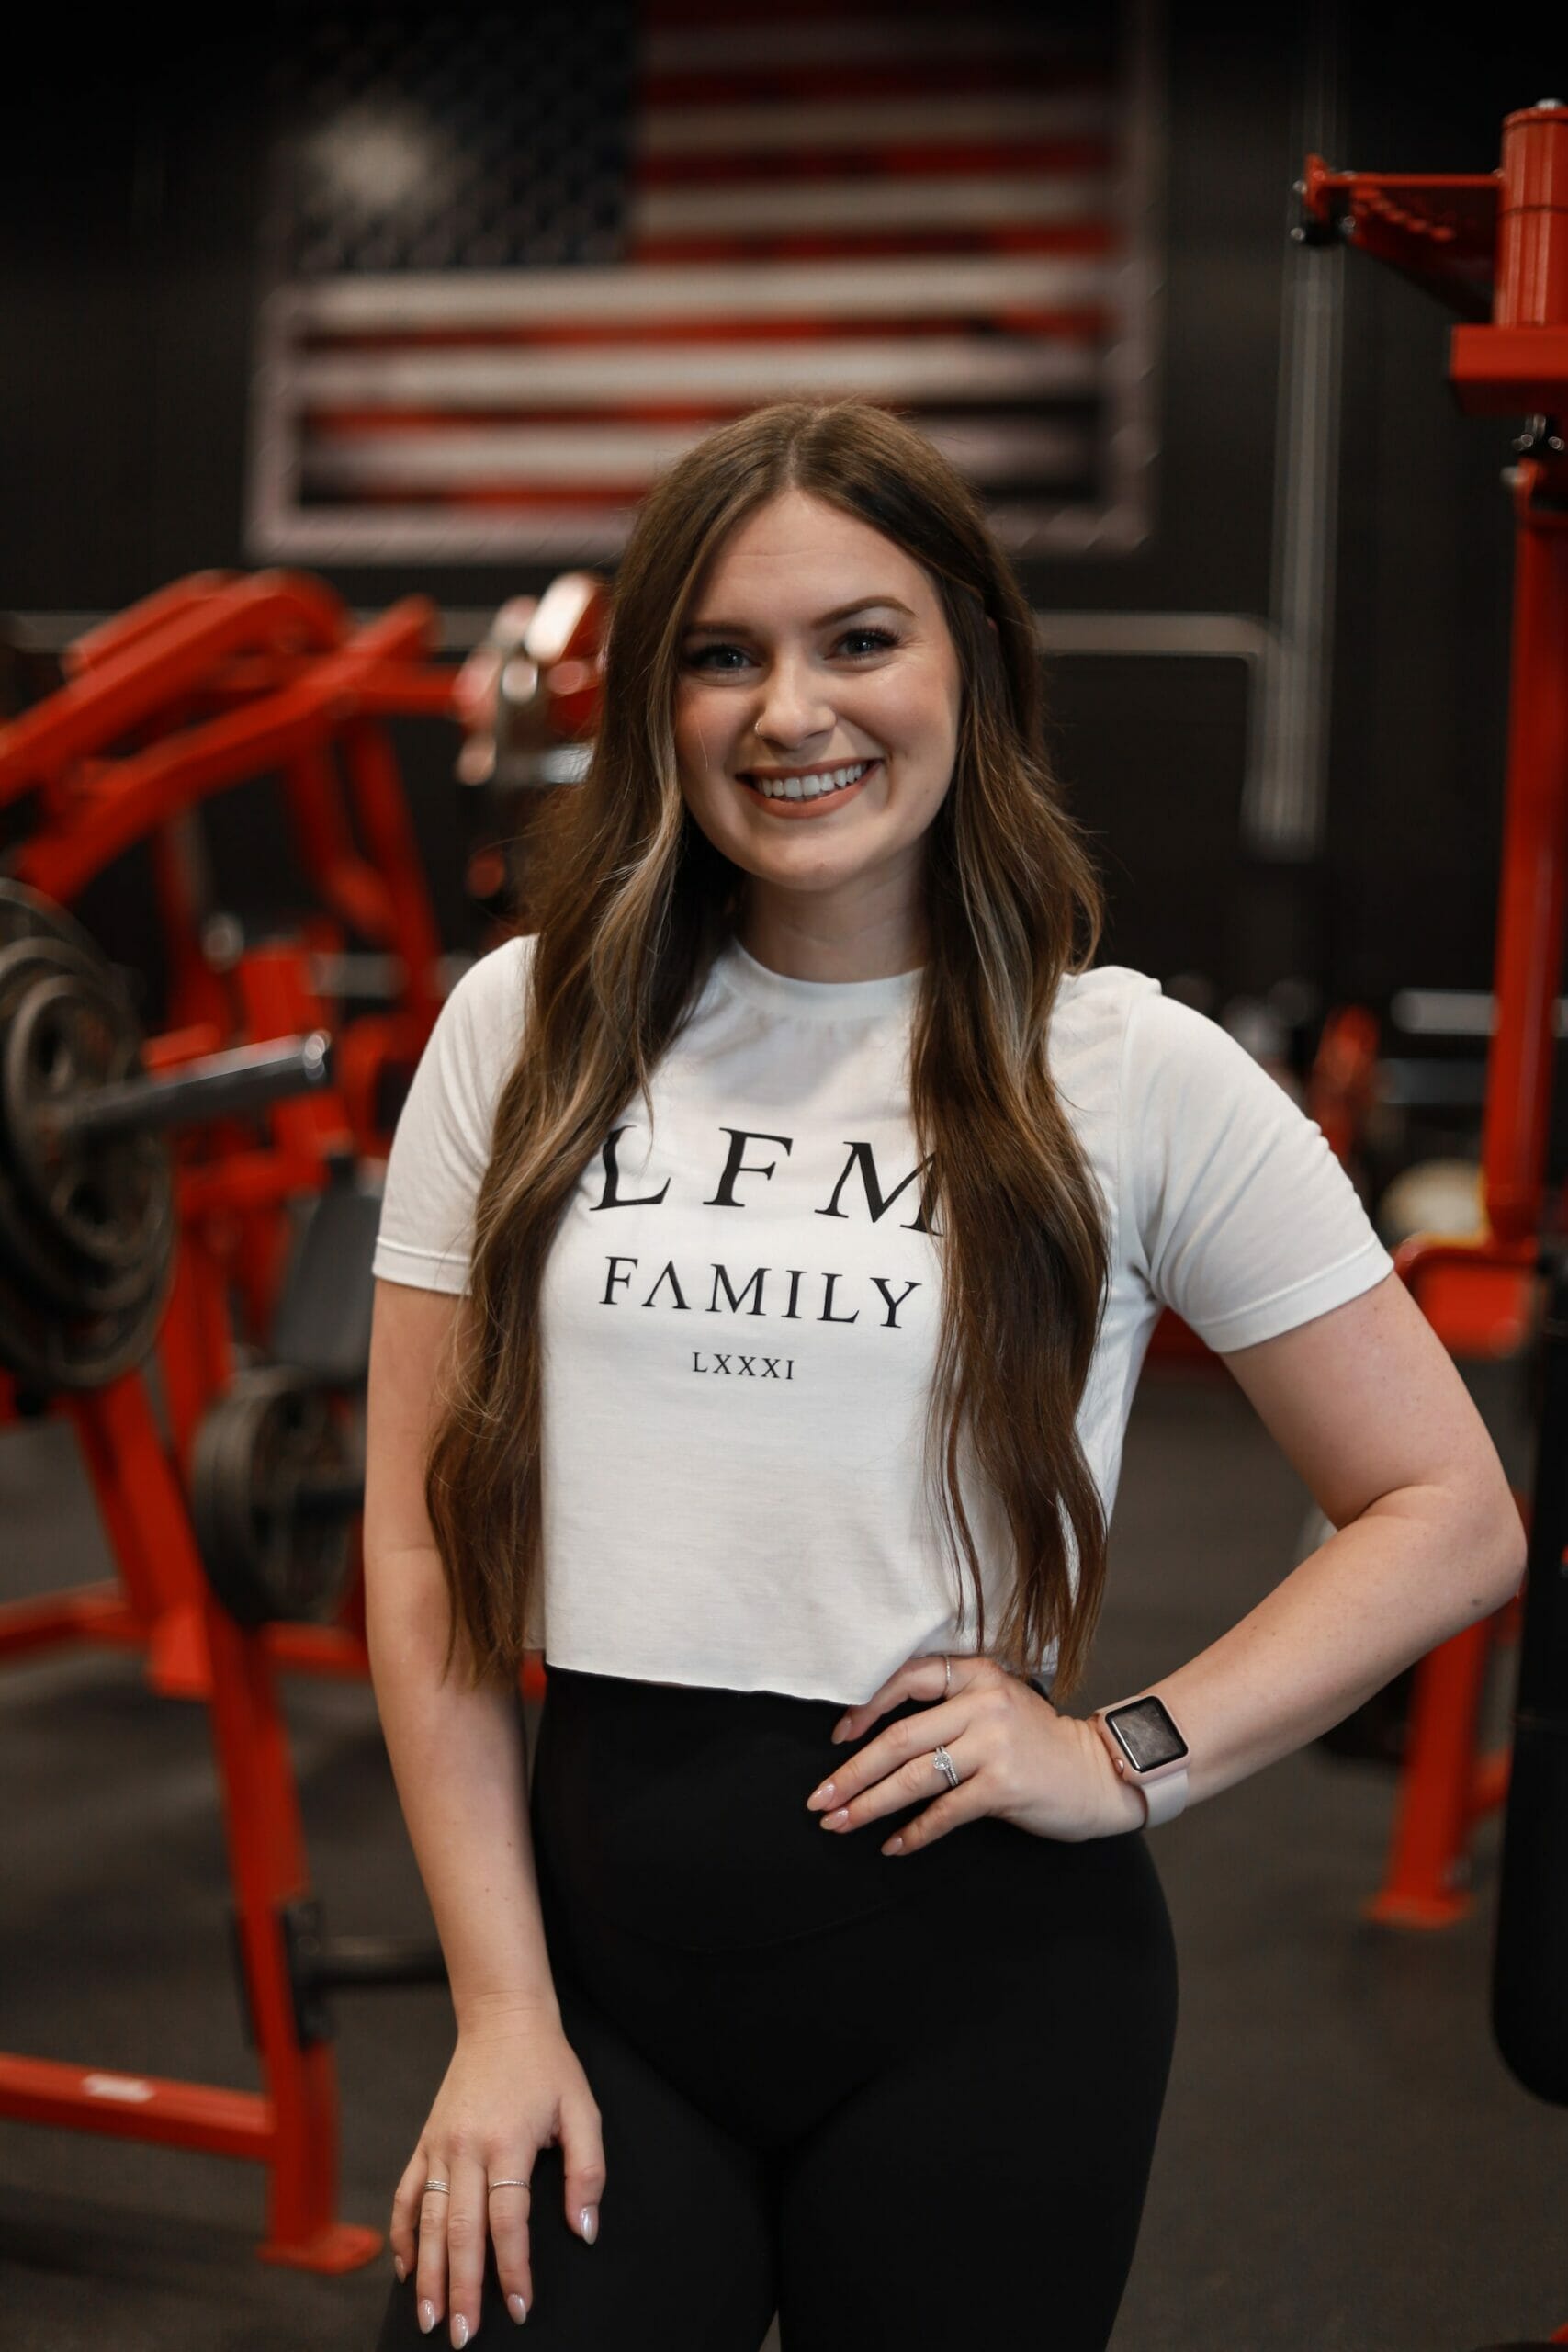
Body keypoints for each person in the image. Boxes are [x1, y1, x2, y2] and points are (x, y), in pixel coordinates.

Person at [365, 399, 1524, 2352]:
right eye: (720, 654)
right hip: (594, 1963)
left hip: (983, 1989)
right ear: (654, 697)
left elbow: (1446, 1512)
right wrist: (496, 2006)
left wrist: (1120, 1751)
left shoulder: (1128, 1071)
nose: (787, 710)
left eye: (856, 638)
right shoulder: (524, 1023)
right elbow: (416, 1538)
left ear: (968, 664)